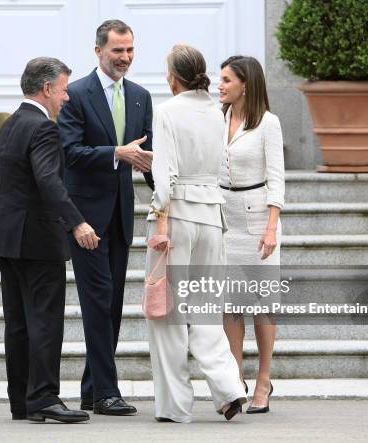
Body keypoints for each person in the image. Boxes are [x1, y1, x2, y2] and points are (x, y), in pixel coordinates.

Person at [0, 57, 99, 423]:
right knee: (45, 320)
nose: (66, 98)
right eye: (64, 90)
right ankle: (45, 398)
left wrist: (6, 219)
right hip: (39, 242)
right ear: (47, 89)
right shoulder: (44, 129)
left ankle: (22, 401)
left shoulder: (10, 125)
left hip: (7, 240)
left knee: (17, 323)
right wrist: (77, 223)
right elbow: (50, 182)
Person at [57, 19, 154, 416]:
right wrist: (117, 153)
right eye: (118, 50)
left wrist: (169, 194)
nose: (125, 58)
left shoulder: (140, 96)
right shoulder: (75, 94)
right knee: (97, 302)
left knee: (111, 304)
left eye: (130, 50)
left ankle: (91, 388)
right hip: (86, 219)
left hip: (121, 217)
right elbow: (70, 152)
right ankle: (106, 393)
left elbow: (147, 156)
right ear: (98, 51)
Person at [145, 44, 247, 423]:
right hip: (211, 215)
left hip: (177, 217)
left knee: (165, 313)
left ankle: (174, 405)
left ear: (173, 77)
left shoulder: (169, 111)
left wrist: (159, 219)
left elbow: (165, 177)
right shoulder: (217, 111)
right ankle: (229, 388)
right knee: (204, 309)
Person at [218, 55, 285, 414]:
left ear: (246, 84)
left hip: (259, 222)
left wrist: (272, 227)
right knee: (231, 307)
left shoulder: (268, 124)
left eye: (227, 79)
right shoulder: (220, 118)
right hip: (225, 221)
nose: (220, 84)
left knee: (262, 307)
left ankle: (263, 379)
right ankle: (235, 380)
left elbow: (277, 178)